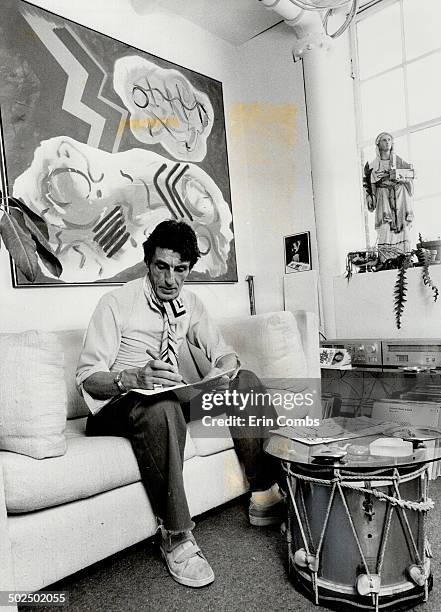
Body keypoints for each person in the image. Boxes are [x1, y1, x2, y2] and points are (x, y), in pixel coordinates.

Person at [76, 220, 283, 589]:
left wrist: (226, 367)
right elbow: (88, 378)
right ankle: (176, 535)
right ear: (147, 263)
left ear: (189, 270)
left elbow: (222, 352)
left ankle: (263, 493)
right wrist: (132, 377)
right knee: (164, 407)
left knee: (247, 380)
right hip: (119, 403)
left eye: (180, 270)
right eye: (162, 267)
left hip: (168, 397)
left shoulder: (191, 305)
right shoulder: (116, 303)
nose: (170, 279)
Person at [363, 132, 415, 260]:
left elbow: (411, 175)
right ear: (378, 144)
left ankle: (404, 258)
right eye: (384, 140)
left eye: (389, 140)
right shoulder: (373, 165)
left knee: (403, 227)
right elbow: (368, 185)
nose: (387, 142)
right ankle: (386, 259)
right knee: (384, 226)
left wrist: (400, 177)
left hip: (400, 196)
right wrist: (370, 196)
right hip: (383, 197)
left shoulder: (399, 161)